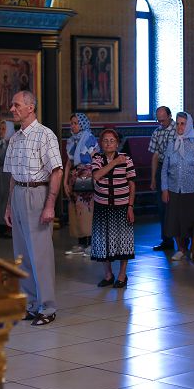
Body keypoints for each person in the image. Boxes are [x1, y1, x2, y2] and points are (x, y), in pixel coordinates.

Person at [3, 91, 62, 326]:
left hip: (37, 194)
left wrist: (50, 204)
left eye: (16, 105)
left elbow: (56, 171)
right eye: (12, 105)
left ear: (30, 108)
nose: (12, 109)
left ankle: (47, 307)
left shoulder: (45, 135)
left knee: (40, 254)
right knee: (22, 254)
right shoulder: (15, 139)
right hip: (18, 193)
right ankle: (30, 304)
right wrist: (9, 205)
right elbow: (12, 176)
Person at [161, 112, 194, 261]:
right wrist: (164, 189)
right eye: (177, 123)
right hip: (174, 189)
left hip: (193, 190)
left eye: (182, 123)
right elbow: (164, 169)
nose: (179, 127)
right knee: (175, 221)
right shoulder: (171, 144)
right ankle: (181, 249)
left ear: (189, 125)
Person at [90, 129, 136, 288]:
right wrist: (115, 162)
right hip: (102, 206)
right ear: (101, 144)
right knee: (103, 241)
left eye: (112, 141)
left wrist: (130, 206)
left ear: (117, 144)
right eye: (105, 140)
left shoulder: (127, 159)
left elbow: (131, 184)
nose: (108, 143)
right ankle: (108, 275)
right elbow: (96, 175)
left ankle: (122, 275)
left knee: (124, 241)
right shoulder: (97, 158)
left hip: (122, 206)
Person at [63, 113, 98, 256]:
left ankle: (91, 244)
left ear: (82, 124)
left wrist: (95, 178)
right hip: (74, 176)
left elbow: (95, 159)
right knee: (74, 209)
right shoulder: (71, 141)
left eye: (76, 123)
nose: (73, 126)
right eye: (71, 123)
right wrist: (65, 181)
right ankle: (80, 242)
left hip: (86, 176)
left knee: (86, 209)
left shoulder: (89, 138)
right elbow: (69, 162)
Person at [148, 106, 177, 251]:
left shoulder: (178, 129)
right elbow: (155, 156)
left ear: (170, 116)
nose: (161, 123)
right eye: (158, 120)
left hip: (175, 169)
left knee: (177, 205)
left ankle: (183, 242)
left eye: (163, 120)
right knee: (162, 206)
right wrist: (153, 178)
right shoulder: (157, 132)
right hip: (161, 168)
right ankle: (166, 240)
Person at [0, 120, 15, 237]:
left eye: (3, 129)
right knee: (0, 200)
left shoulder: (12, 144)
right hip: (0, 175)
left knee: (8, 200)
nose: (1, 131)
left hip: (8, 175)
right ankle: (4, 226)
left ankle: (11, 227)